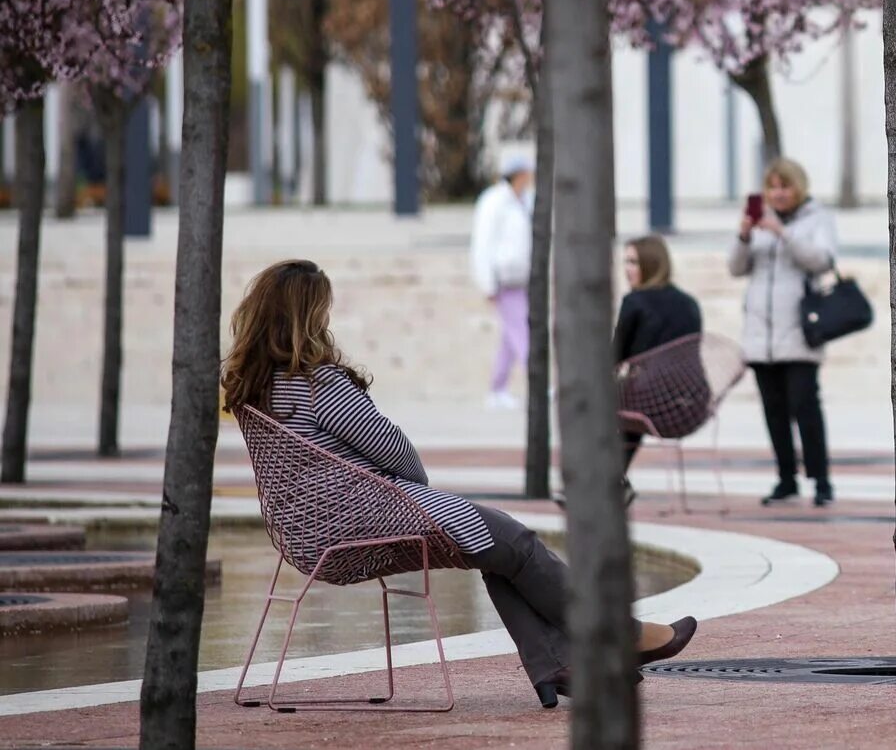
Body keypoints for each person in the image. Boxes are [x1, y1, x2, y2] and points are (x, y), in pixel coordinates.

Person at [221, 260, 698, 708]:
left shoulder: (257, 393)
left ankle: (558, 664)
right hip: (367, 520)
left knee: (501, 552)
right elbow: (398, 454)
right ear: (307, 317)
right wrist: (408, 481)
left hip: (308, 535)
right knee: (516, 542)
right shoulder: (318, 384)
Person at [729, 157, 838, 508]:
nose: (777, 193)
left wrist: (782, 233)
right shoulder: (759, 225)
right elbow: (735, 268)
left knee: (806, 409)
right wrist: (745, 235)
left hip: (799, 335)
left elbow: (822, 260)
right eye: (772, 187)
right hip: (761, 339)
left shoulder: (816, 219)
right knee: (773, 412)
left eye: (784, 186)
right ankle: (786, 479)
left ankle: (821, 481)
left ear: (798, 187)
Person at [611, 235, 703, 501]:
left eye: (633, 262)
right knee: (630, 405)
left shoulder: (634, 302)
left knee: (600, 406)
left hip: (649, 405)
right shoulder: (689, 303)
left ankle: (605, 482)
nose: (626, 268)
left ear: (650, 264)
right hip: (692, 404)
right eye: (626, 261)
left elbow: (613, 358)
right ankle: (613, 481)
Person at [471, 154, 534, 411]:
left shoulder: (524, 201)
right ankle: (539, 381)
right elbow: (483, 243)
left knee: (511, 337)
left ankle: (497, 388)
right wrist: (487, 282)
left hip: (523, 278)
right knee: (522, 332)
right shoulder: (494, 201)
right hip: (503, 279)